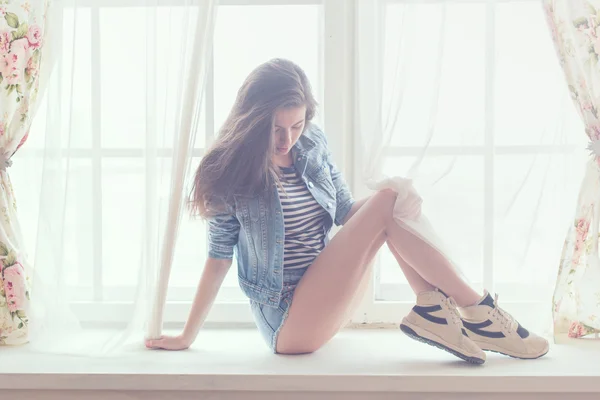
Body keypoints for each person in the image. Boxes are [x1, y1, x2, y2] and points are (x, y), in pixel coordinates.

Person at [145, 58, 549, 363]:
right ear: (252, 121)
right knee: (386, 202)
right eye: (276, 129)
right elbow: (218, 259)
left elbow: (344, 212)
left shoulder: (311, 145)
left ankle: (437, 309)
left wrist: (397, 203)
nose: (288, 139)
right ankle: (479, 313)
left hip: (329, 298)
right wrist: (186, 335)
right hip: (287, 321)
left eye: (297, 125)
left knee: (390, 198)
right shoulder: (228, 170)